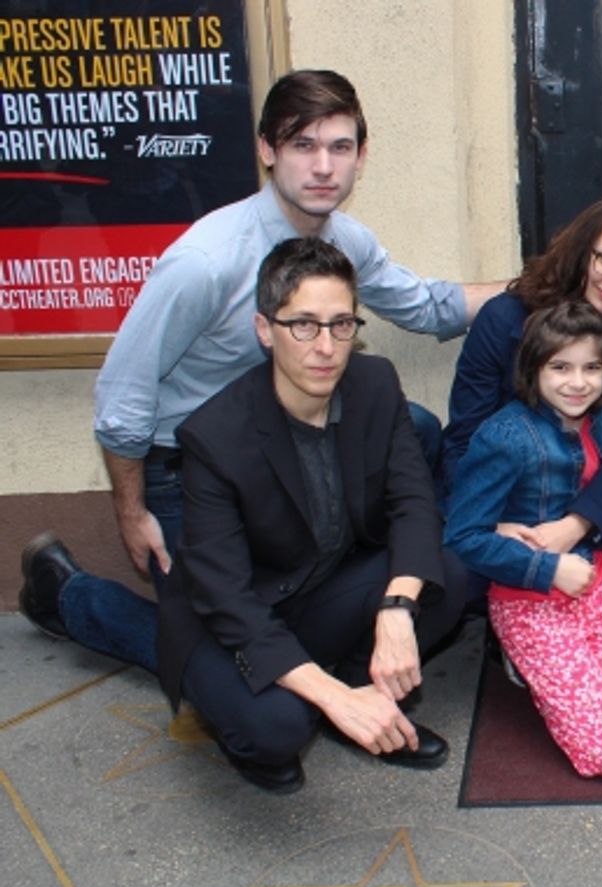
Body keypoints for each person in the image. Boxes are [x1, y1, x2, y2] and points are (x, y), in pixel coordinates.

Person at [18, 69, 500, 672]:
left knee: (417, 428)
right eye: (303, 145)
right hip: (189, 469)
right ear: (268, 151)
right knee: (223, 660)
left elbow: (427, 306)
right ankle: (69, 596)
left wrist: (546, 282)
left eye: (340, 147)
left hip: (292, 450)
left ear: (361, 156)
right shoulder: (205, 263)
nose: (323, 166)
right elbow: (122, 398)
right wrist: (133, 512)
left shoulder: (346, 242)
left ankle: (389, 590)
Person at [156, 238, 471, 794]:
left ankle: (359, 700)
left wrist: (397, 609)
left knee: (448, 572)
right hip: (236, 619)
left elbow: (413, 502)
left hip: (319, 586)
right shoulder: (213, 437)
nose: (325, 347)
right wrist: (334, 698)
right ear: (264, 329)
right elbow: (227, 600)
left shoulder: (374, 385)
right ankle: (333, 706)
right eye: (303, 325)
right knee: (278, 729)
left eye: (341, 324)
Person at [444, 302, 602, 778]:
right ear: (533, 370)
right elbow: (463, 535)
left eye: (591, 368)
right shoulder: (503, 437)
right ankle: (535, 664)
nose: (577, 383)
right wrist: (548, 569)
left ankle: (592, 666)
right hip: (529, 598)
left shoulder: (596, 418)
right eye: (560, 367)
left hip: (596, 584)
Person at [440, 196, 602, 598]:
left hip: (582, 487)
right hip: (504, 489)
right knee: (467, 570)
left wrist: (579, 523)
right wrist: (486, 520)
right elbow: (464, 432)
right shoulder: (504, 319)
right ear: (582, 249)